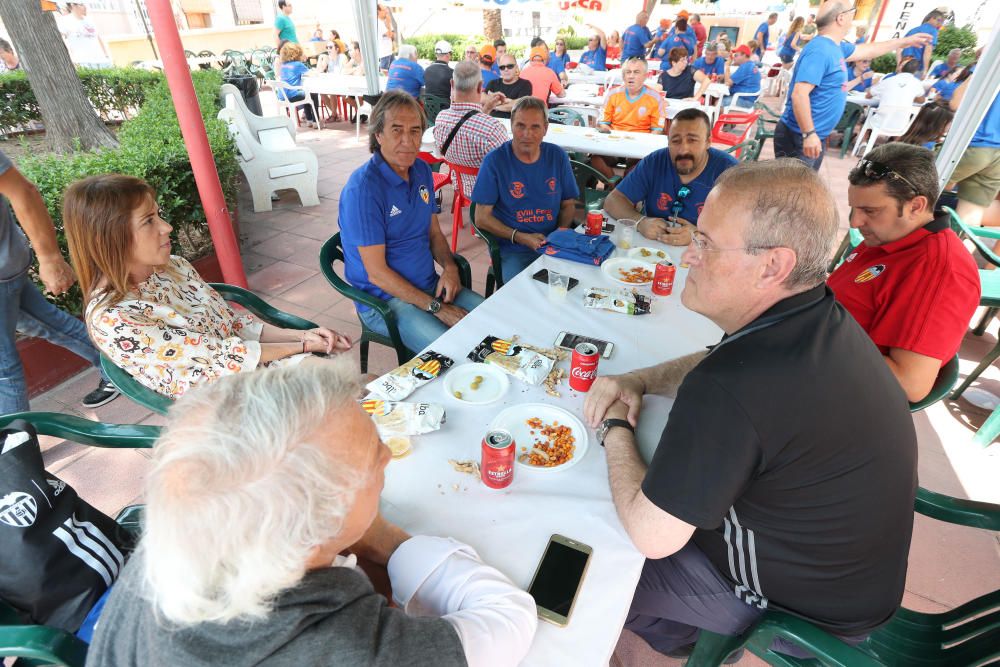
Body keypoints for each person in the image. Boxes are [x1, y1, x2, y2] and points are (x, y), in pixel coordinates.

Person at [583, 159, 918, 660]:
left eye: (706, 243)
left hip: (802, 616)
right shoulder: (814, 310)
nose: (689, 258)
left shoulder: (733, 389)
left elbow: (652, 536)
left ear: (773, 266)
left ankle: (695, 641)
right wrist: (638, 379)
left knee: (586, 563)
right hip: (854, 586)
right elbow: (718, 357)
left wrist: (613, 425)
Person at [85, 360, 538, 667]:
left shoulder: (186, 525)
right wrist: (396, 543)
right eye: (371, 457)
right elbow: (510, 621)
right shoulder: (347, 648)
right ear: (314, 532)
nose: (387, 457)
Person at [61, 175, 350, 401]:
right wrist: (302, 345)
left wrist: (304, 335)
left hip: (258, 369)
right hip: (232, 404)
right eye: (149, 221)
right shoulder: (115, 318)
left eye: (158, 214)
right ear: (110, 237)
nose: (167, 227)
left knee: (360, 387)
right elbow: (224, 357)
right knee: (350, 405)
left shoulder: (173, 267)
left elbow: (233, 324)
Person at [828, 144, 979, 401]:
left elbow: (911, 384)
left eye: (870, 211)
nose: (855, 222)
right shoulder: (890, 236)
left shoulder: (939, 271)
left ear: (915, 206)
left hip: (840, 393)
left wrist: (815, 338)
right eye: (855, 208)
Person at [339, 91, 485, 354]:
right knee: (459, 351)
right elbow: (377, 274)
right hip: (386, 302)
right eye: (397, 130)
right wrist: (437, 309)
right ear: (378, 135)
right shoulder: (363, 190)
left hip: (428, 286)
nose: (407, 141)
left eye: (415, 131)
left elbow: (433, 234)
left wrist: (450, 268)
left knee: (492, 322)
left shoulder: (420, 171)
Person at [0, 150, 119, 412]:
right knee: (48, 324)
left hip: (4, 268)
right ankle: (123, 372)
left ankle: (17, 443)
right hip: (7, 265)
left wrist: (50, 258)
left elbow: (23, 192)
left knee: (3, 368)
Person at [774, 0, 933, 170]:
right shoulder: (820, 50)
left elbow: (868, 50)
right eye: (853, 12)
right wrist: (809, 134)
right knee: (793, 192)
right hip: (801, 136)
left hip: (812, 135)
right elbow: (799, 94)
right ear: (841, 18)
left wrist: (903, 42)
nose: (854, 17)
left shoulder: (836, 47)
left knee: (801, 190)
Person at [472, 97, 579, 283]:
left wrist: (560, 231)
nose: (526, 134)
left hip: (552, 244)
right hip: (513, 249)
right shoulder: (495, 161)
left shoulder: (557, 156)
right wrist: (521, 237)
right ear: (511, 125)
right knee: (521, 296)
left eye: (535, 127)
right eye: (520, 125)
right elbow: (481, 218)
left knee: (576, 286)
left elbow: (568, 204)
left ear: (545, 128)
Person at [603, 108, 737, 247]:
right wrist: (640, 221)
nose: (683, 149)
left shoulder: (730, 172)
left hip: (703, 256)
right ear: (668, 142)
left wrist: (699, 235)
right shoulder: (654, 162)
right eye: (676, 141)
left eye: (692, 140)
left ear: (708, 142)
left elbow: (745, 228)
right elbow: (614, 200)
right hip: (650, 251)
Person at [433, 62, 508, 198]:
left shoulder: (441, 120)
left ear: (452, 84)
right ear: (480, 86)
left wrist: (487, 108)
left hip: (459, 187)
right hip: (488, 194)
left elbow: (469, 124)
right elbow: (507, 168)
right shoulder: (493, 129)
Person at [591, 57, 665, 179]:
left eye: (636, 72)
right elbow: (604, 122)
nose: (631, 76)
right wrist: (610, 135)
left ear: (645, 76)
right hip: (614, 141)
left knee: (640, 165)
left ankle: (623, 189)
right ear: (623, 75)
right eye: (628, 72)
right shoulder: (613, 94)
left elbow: (657, 130)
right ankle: (615, 187)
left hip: (639, 145)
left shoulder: (655, 98)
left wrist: (641, 145)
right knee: (595, 158)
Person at [946, 82, 1000, 231]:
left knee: (912, 185)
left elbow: (955, 103)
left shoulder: (992, 62)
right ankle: (960, 253)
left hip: (974, 144)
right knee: (970, 218)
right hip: (997, 156)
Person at [275, 41, 321, 127]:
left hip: (282, 96)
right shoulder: (297, 64)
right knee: (313, 94)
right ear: (296, 52)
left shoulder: (284, 65)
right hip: (292, 95)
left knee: (306, 93)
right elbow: (312, 74)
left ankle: (309, 120)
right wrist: (317, 70)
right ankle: (315, 121)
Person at [59, 3, 111, 68]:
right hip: (83, 62)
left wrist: (106, 56)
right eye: (82, 4)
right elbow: (60, 40)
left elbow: (98, 38)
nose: (85, 7)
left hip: (102, 61)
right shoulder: (65, 20)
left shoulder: (89, 20)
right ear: (73, 5)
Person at [485, 53, 533, 120]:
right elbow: (483, 100)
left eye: (510, 66)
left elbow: (520, 105)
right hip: (492, 124)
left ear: (516, 67)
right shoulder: (493, 83)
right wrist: (509, 101)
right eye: (502, 67)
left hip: (515, 125)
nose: (506, 69)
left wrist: (494, 106)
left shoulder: (525, 84)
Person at [899, 9, 945, 78]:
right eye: (939, 21)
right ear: (932, 18)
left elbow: (899, 47)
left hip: (903, 65)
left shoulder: (913, 30)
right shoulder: (933, 31)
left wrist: (898, 64)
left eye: (942, 22)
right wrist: (925, 70)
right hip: (915, 67)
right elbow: (928, 51)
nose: (940, 24)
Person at [377, 4, 395, 71]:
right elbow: (390, 35)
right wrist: (389, 23)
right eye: (384, 10)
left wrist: (388, 24)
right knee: (384, 72)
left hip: (389, 52)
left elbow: (393, 35)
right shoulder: (378, 23)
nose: (386, 11)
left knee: (394, 70)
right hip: (384, 53)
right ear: (378, 11)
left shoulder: (385, 21)